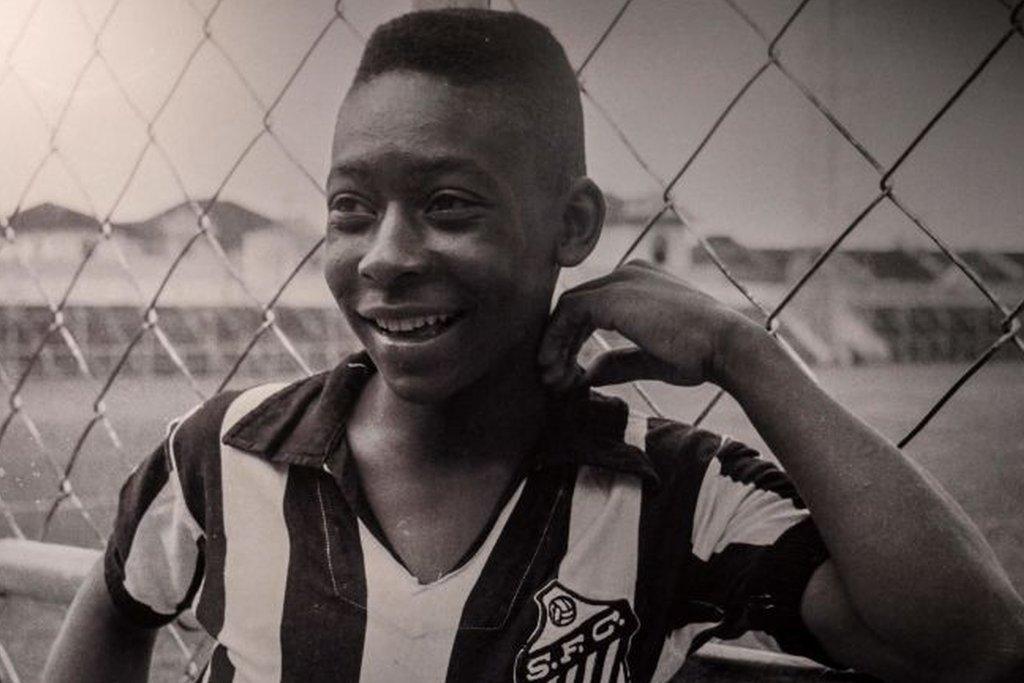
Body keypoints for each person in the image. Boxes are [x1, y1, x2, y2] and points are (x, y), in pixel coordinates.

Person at [44, 8, 1024, 683]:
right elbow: (122, 597)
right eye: (350, 208)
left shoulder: (673, 493)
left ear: (572, 224)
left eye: (447, 205)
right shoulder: (219, 450)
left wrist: (741, 350)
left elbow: (967, 643)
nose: (383, 256)